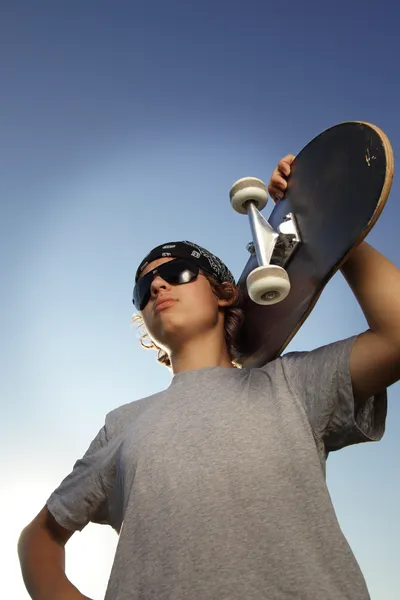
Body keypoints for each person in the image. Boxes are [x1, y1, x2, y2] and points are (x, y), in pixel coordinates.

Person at [18, 155, 400, 600]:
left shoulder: (291, 384)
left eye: (175, 273)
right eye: (144, 289)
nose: (157, 288)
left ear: (224, 293)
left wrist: (325, 220)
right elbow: (39, 539)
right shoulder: (121, 425)